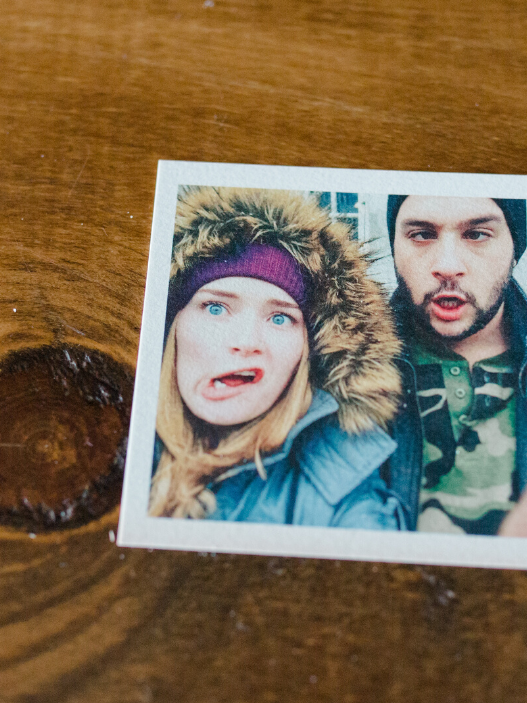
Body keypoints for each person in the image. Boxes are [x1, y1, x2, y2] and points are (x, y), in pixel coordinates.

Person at [148, 186, 406, 530]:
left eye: (280, 318)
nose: (246, 342)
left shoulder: (347, 502)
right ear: (172, 326)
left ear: (307, 353)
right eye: (216, 308)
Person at [383, 194, 527, 536]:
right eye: (422, 235)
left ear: (515, 247)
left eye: (477, 234)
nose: (447, 266)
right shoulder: (342, 371)